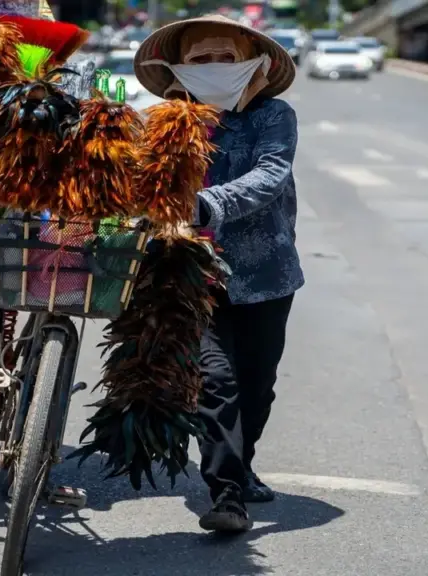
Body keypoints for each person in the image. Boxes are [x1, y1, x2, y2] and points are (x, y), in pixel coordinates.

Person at [134, 14, 302, 533]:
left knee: (257, 385)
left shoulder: (275, 116)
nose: (213, 69)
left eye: (225, 59)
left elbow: (271, 176)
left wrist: (202, 204)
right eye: (200, 60)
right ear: (179, 69)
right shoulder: (162, 121)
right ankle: (227, 495)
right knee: (216, 382)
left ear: (257, 64)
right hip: (189, 273)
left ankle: (242, 468)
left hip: (265, 274)